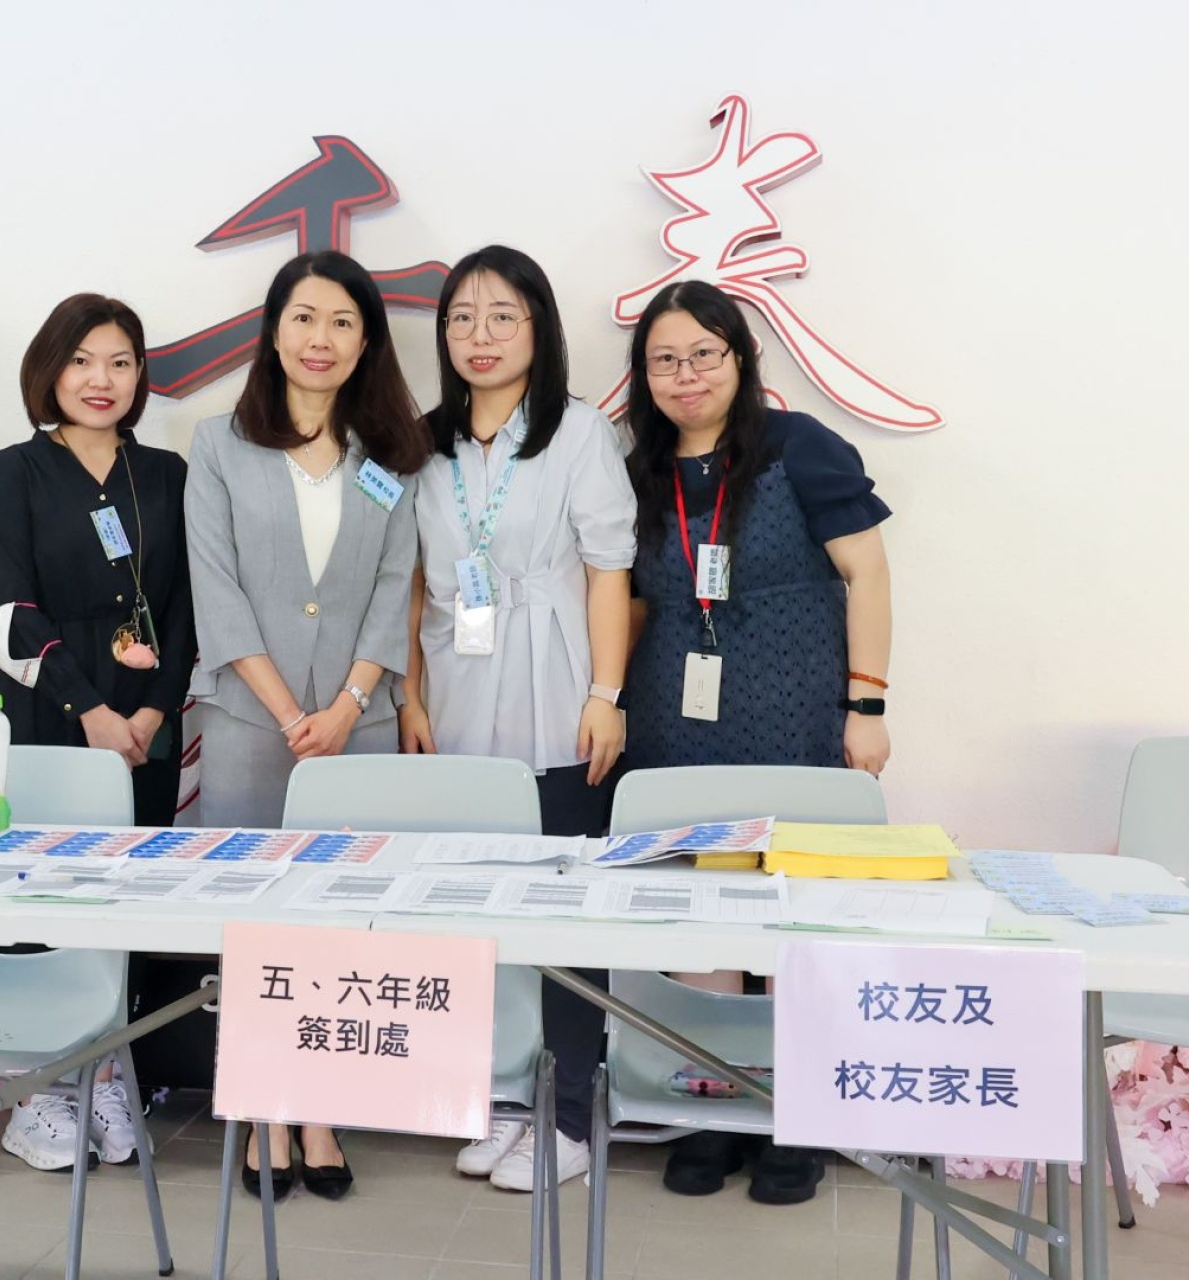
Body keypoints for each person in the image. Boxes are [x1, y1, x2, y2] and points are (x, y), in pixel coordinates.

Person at [621, 279, 892, 1204]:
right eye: (664, 359)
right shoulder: (640, 468)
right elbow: (632, 598)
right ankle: (713, 1106)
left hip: (793, 712)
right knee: (703, 914)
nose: (685, 374)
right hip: (676, 718)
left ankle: (797, 1117)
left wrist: (868, 705)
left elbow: (868, 573)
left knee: (790, 918)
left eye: (704, 353)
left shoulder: (799, 447)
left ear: (740, 358)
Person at [186, 249, 431, 1199]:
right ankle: (262, 1110)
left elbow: (391, 588)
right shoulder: (219, 444)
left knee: (336, 917)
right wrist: (293, 714)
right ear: (274, 330)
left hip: (356, 727)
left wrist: (348, 707)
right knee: (256, 918)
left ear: (366, 342)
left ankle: (320, 1110)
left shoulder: (389, 456)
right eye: (303, 318)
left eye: (341, 322)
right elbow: (217, 589)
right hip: (252, 721)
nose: (319, 339)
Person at [398, 246, 635, 1194]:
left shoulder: (578, 431)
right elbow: (411, 580)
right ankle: (501, 1093)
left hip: (557, 684)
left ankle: (569, 1114)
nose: (480, 335)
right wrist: (411, 695)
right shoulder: (423, 443)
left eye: (502, 316)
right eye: (461, 318)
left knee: (565, 909)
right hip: (457, 686)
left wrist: (605, 695)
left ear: (540, 328)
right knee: (475, 903)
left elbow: (609, 569)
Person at [0, 293, 195, 1170]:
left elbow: (186, 610)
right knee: (47, 894)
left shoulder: (167, 474)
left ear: (140, 375)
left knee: (128, 896)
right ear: (50, 370)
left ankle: (105, 1074)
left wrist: (150, 712)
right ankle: (39, 1093)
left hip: (145, 722)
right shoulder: (16, 470)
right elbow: (13, 608)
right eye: (80, 361)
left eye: (119, 362)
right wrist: (93, 712)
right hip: (48, 712)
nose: (100, 379)